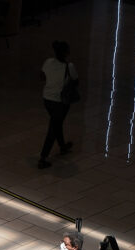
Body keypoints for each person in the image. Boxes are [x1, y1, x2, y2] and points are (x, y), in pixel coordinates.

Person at [38, 41, 78, 169]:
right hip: (60, 102)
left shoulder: (48, 62)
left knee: (57, 123)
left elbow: (41, 77)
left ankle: (62, 147)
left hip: (47, 99)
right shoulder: (69, 66)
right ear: (66, 52)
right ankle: (43, 158)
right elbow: (76, 82)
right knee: (53, 129)